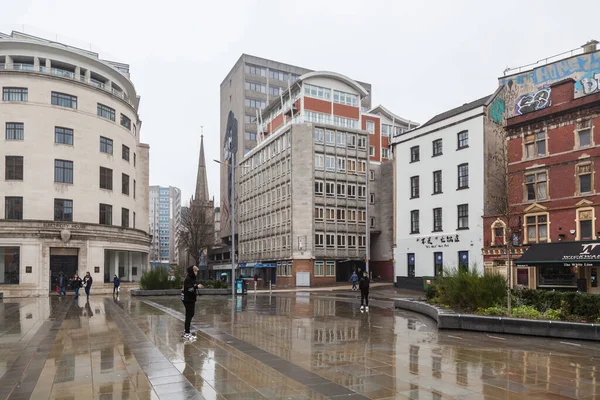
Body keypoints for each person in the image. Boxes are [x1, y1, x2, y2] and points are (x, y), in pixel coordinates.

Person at [181, 266, 203, 341]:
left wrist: (196, 286)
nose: (196, 273)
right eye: (195, 271)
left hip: (191, 299)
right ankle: (187, 333)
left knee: (191, 314)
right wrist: (197, 286)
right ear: (192, 272)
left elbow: (192, 287)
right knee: (189, 315)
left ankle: (187, 330)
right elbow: (189, 289)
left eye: (197, 271)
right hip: (188, 299)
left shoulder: (192, 279)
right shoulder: (188, 279)